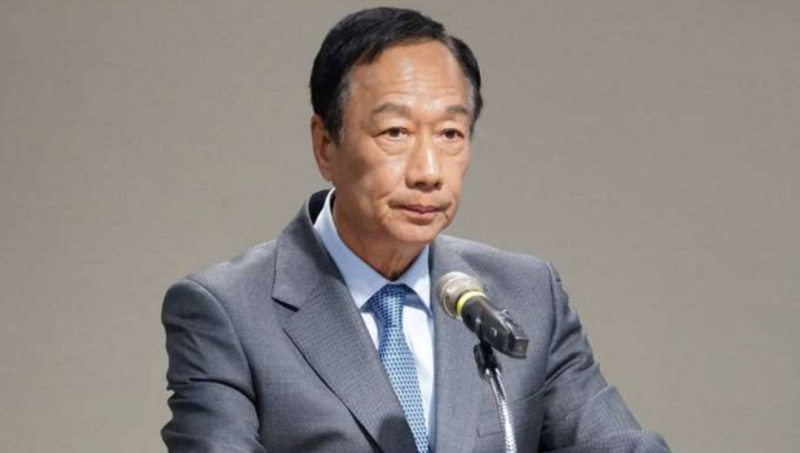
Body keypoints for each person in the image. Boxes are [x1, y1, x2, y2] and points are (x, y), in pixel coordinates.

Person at [161, 7, 672, 453]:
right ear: (325, 145)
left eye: (450, 133)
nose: (428, 171)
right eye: (396, 132)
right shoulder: (229, 312)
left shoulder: (527, 295)